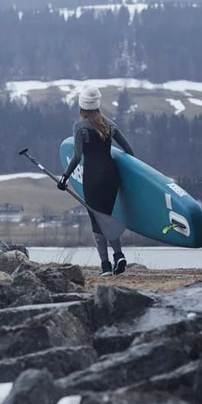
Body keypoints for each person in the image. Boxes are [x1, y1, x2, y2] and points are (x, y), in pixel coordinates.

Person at [57, 86, 135, 276]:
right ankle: (119, 256)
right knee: (106, 217)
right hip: (111, 177)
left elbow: (76, 157)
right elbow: (129, 151)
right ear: (97, 106)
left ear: (82, 107)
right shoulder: (110, 125)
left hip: (92, 178)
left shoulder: (80, 127)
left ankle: (106, 266)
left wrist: (64, 177)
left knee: (96, 220)